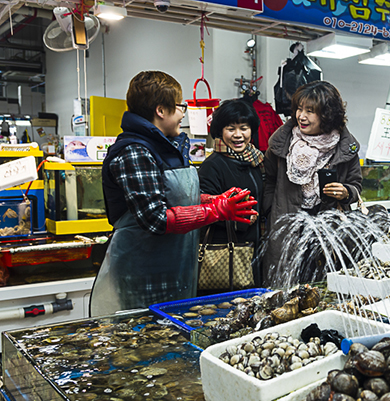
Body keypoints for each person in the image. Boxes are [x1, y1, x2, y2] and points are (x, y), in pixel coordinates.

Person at [90, 71, 256, 316]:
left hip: (175, 268)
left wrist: (214, 200)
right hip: (142, 272)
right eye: (181, 106)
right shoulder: (134, 151)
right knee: (145, 341)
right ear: (161, 110)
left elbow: (171, 196)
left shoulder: (167, 146)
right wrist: (215, 210)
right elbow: (155, 217)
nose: (182, 113)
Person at [261, 80, 362, 284]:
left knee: (324, 289)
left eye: (310, 111)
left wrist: (346, 192)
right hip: (286, 228)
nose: (302, 116)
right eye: (299, 109)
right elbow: (268, 179)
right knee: (284, 290)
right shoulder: (282, 143)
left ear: (327, 115)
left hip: (328, 230)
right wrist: (272, 211)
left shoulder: (345, 148)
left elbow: (356, 185)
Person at [198, 99, 264, 283]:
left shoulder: (256, 161)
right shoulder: (212, 166)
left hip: (255, 248)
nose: (238, 135)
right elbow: (203, 210)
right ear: (220, 131)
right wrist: (239, 219)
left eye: (244, 128)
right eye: (230, 128)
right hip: (225, 253)